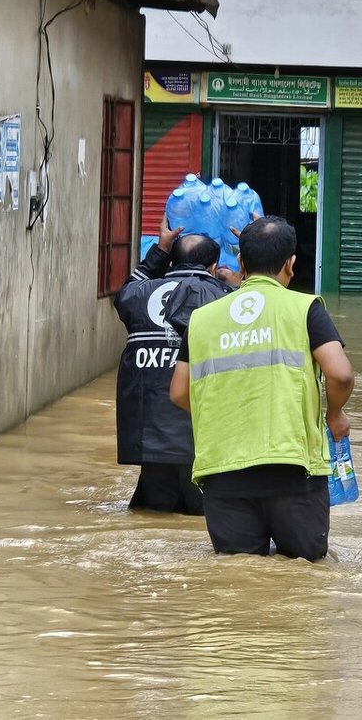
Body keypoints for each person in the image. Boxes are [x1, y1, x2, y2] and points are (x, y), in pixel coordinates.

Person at [170, 216, 354, 560]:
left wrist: (223, 413)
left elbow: (180, 392)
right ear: (291, 264)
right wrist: (335, 413)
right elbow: (341, 374)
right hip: (293, 472)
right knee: (304, 578)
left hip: (223, 474)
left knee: (236, 581)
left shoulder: (202, 319)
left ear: (240, 262)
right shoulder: (304, 309)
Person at [114, 219, 233, 515]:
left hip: (150, 441)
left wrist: (159, 249)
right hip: (201, 442)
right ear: (213, 266)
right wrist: (250, 258)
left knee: (152, 522)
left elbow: (126, 289)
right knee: (200, 526)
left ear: (172, 259)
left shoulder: (137, 296)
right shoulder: (225, 298)